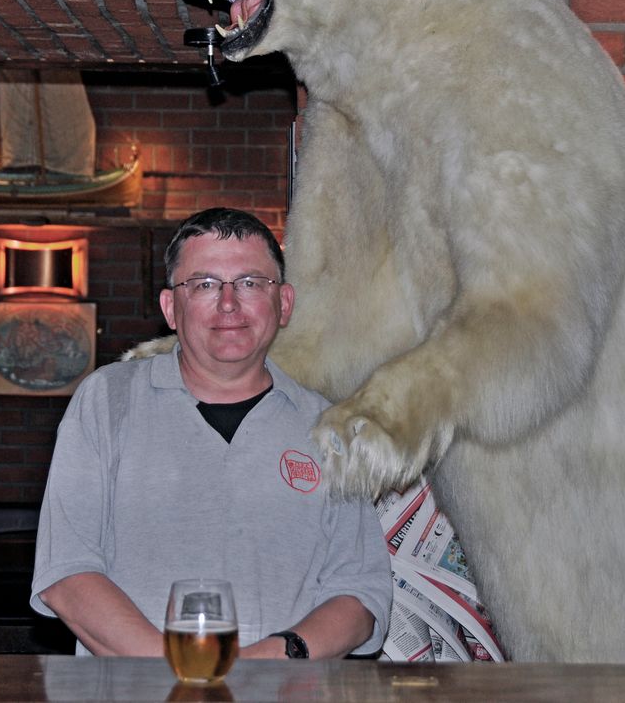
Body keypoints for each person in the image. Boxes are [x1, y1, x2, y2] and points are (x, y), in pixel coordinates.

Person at [30, 207, 392, 659]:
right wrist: (183, 675)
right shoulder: (107, 402)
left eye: (250, 283)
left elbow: (360, 594)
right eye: (203, 284)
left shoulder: (329, 428)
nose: (228, 303)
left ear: (284, 304)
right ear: (170, 308)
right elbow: (67, 574)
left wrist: (273, 660)